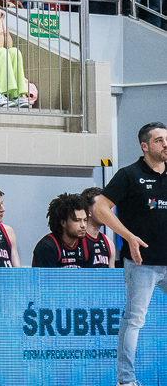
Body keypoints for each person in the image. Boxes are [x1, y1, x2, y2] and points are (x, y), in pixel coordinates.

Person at [95, 122, 167, 386]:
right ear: (144, 146)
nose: (166, 144)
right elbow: (100, 208)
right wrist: (128, 236)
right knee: (134, 319)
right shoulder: (129, 175)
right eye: (159, 140)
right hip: (142, 263)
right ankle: (126, 380)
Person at [32, 192, 96, 267]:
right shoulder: (47, 247)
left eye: (85, 220)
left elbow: (88, 274)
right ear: (63, 222)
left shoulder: (88, 246)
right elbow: (47, 275)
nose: (83, 225)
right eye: (77, 220)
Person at [80, 186, 119, 268]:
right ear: (88, 211)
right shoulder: (76, 241)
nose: (107, 212)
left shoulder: (108, 243)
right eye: (101, 207)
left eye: (108, 208)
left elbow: (111, 275)